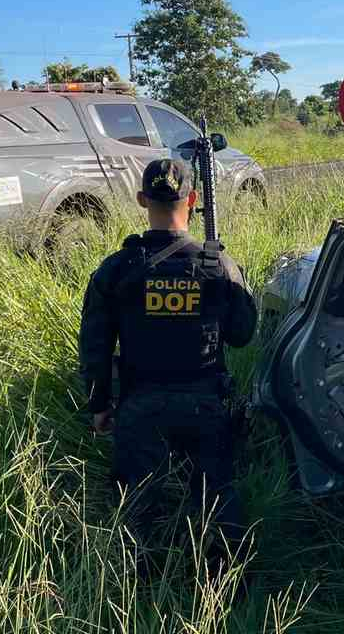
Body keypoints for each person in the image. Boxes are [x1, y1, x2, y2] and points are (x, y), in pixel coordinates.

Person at [78, 157, 257, 571]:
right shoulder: (218, 265)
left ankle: (139, 591)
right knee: (217, 498)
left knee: (138, 506)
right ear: (192, 200)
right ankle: (228, 589)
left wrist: (100, 405)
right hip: (206, 403)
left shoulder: (118, 268)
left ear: (142, 199)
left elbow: (95, 347)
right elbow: (242, 335)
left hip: (140, 403)